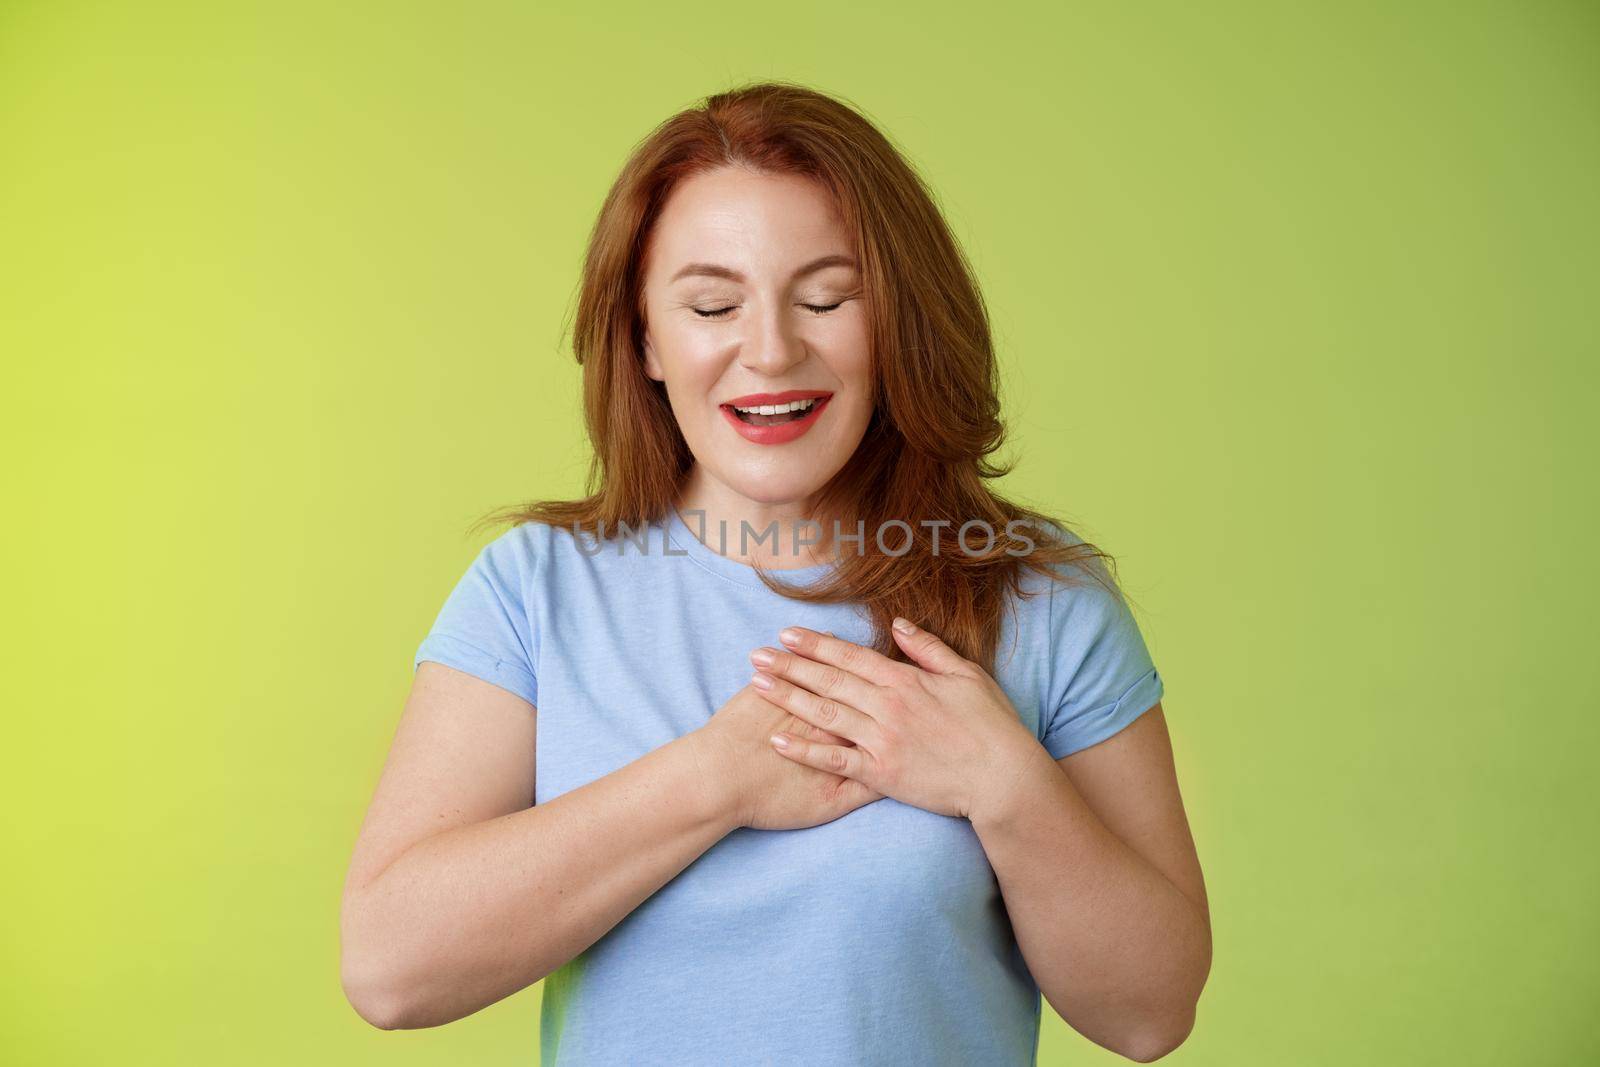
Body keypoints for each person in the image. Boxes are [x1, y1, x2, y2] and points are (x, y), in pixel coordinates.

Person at [340, 80, 1210, 1065]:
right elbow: (389, 966)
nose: (770, 349)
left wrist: (1002, 783)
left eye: (827, 298)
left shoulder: (1042, 600)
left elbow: (1150, 1010)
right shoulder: (534, 589)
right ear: (644, 340)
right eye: (712, 303)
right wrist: (715, 778)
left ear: (897, 325)